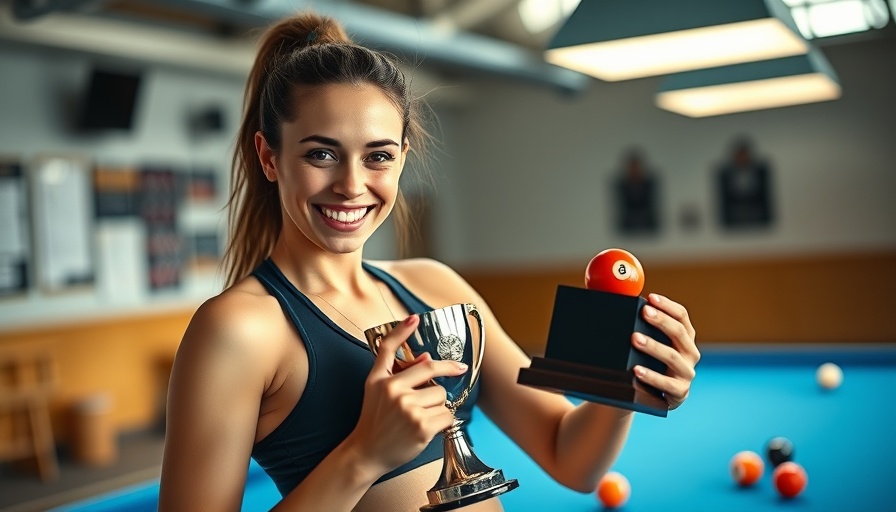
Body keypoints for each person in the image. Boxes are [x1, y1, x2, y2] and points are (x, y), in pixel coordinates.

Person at [159, 11, 699, 512]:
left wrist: (629, 379)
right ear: (269, 157)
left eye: (378, 156)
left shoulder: (437, 286)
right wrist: (363, 455)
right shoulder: (238, 329)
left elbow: (570, 457)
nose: (351, 185)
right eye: (321, 153)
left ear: (401, 160)